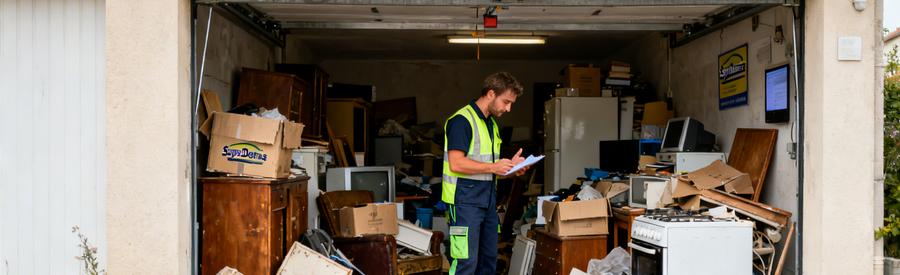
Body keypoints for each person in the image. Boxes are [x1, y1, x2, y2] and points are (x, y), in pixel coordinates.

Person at [442, 72, 529, 275]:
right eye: (506, 101)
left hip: (487, 202)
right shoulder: (461, 121)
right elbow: (456, 163)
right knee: (465, 264)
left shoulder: (491, 125)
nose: (508, 108)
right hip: (464, 203)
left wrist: (511, 170)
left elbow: (488, 170)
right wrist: (493, 167)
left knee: (487, 263)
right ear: (491, 93)